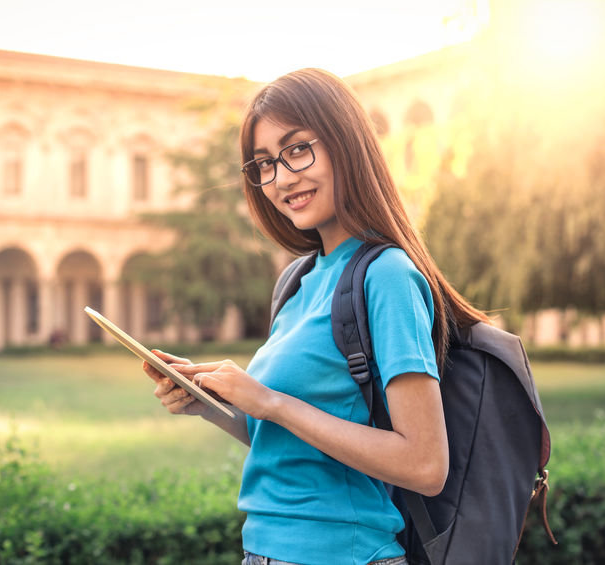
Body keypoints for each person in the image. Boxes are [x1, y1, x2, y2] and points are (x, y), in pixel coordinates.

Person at [142, 68, 487, 565]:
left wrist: (273, 403)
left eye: (297, 149)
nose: (281, 178)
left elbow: (425, 463)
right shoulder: (297, 282)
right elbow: (288, 441)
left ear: (345, 143)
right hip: (261, 552)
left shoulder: (386, 275)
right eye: (263, 164)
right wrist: (212, 402)